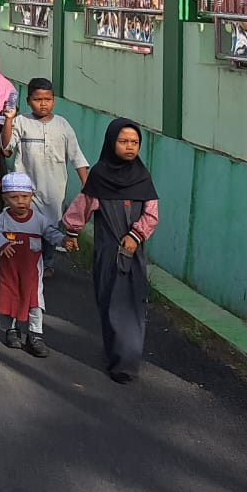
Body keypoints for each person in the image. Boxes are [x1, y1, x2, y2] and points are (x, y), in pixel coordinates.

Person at [61, 119, 160, 383]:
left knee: (133, 303)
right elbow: (82, 205)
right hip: (107, 251)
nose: (130, 147)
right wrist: (71, 232)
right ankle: (114, 353)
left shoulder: (143, 177)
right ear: (111, 142)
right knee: (110, 302)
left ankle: (126, 363)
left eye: (135, 142)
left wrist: (136, 235)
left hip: (133, 251)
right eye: (124, 141)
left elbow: (152, 213)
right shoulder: (100, 176)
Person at [0, 78, 88, 271]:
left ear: (53, 100)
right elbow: (6, 148)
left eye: (47, 99)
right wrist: (8, 118)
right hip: (26, 188)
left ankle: (47, 264)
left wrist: (86, 182)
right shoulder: (21, 122)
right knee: (25, 225)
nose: (43, 103)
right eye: (38, 99)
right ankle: (24, 263)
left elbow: (76, 155)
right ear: (29, 101)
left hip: (54, 190)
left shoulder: (62, 125)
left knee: (50, 228)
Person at [0, 171, 66, 358]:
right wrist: (3, 243)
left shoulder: (38, 219)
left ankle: (35, 335)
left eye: (24, 196)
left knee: (35, 302)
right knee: (10, 298)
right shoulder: (3, 219)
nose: (20, 201)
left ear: (31, 196)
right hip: (9, 270)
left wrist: (64, 241)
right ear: (5, 199)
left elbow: (51, 233)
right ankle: (11, 330)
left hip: (32, 271)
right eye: (14, 197)